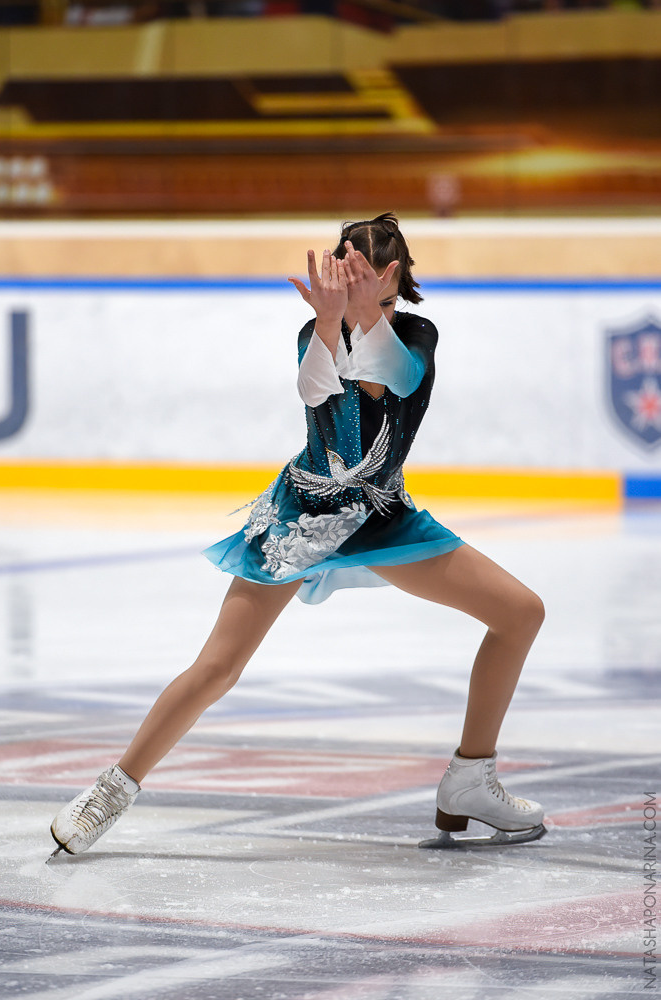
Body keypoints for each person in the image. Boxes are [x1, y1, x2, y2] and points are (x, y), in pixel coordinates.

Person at [49, 213, 546, 857]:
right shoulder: (318, 328)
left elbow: (392, 381)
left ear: (394, 281)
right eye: (347, 282)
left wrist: (369, 316)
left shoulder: (416, 335)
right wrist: (338, 321)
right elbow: (316, 388)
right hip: (300, 519)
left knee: (520, 612)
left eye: (378, 290)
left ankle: (470, 781)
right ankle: (109, 794)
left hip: (381, 517)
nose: (363, 298)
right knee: (218, 666)